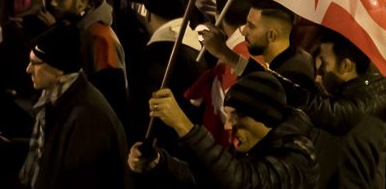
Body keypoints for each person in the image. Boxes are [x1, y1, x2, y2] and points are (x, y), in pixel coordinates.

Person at [133, 71, 318, 188]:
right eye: (228, 115)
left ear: (264, 116)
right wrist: (160, 162)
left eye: (238, 116)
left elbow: (242, 181)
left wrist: (184, 126)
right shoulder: (253, 147)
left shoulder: (296, 157)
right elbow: (210, 178)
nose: (228, 125)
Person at [20, 22, 128, 189]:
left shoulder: (87, 117)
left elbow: (82, 180)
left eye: (35, 63)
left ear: (59, 69)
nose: (28, 69)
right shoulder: (55, 97)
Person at [304, 29, 386, 189]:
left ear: (346, 65)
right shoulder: (350, 102)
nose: (319, 73)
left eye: (325, 63)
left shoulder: (357, 121)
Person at [47, 0, 128, 120]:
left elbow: (111, 100)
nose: (53, 3)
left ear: (82, 2)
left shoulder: (99, 39)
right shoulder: (79, 29)